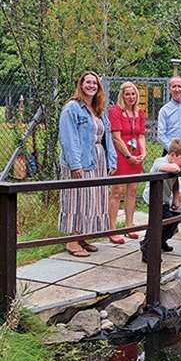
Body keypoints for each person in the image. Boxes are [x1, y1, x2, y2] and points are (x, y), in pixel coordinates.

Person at [58, 71, 117, 257]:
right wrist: (75, 165)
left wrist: (111, 160)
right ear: (81, 85)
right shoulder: (72, 108)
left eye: (95, 83)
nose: (91, 86)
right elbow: (68, 139)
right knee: (78, 198)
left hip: (97, 160)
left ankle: (82, 236)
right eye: (88, 82)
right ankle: (71, 241)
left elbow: (107, 136)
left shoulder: (98, 109)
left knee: (92, 200)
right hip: (80, 160)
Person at [140, 138, 181, 263]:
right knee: (159, 223)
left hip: (164, 199)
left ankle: (160, 241)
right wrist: (177, 167)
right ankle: (148, 248)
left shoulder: (176, 165)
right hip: (153, 197)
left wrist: (175, 199)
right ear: (173, 155)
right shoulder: (160, 161)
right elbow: (169, 168)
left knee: (174, 219)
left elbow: (175, 184)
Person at [107, 82, 147, 245]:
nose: (130, 97)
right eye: (127, 94)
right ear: (122, 95)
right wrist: (128, 155)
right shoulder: (115, 111)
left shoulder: (140, 113)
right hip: (122, 155)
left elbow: (141, 135)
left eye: (133, 94)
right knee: (117, 190)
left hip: (135, 155)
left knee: (132, 190)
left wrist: (143, 152)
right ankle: (112, 228)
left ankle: (129, 225)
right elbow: (116, 137)